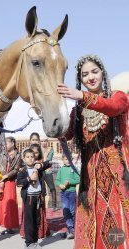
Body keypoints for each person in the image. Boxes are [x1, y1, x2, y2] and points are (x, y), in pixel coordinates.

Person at [57, 54, 129, 248]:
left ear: (103, 73)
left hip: (117, 176)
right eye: (85, 74)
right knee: (91, 223)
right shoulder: (78, 110)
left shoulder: (118, 96)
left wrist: (82, 96)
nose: (90, 77)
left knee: (117, 222)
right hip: (90, 179)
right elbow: (67, 134)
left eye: (94, 72)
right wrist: (49, 114)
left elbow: (113, 108)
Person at [17, 148, 51, 249]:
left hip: (38, 197)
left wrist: (40, 165)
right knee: (29, 220)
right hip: (29, 198)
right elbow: (19, 183)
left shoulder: (38, 168)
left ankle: (34, 241)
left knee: (37, 220)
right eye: (27, 157)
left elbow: (49, 163)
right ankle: (28, 242)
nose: (30, 159)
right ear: (23, 159)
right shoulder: (23, 171)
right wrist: (29, 178)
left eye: (32, 157)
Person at [0, 136, 20, 234]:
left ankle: (11, 226)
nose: (5, 145)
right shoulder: (1, 153)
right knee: (1, 203)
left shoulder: (18, 155)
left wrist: (6, 176)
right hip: (0, 180)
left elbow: (16, 169)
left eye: (7, 143)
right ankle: (2, 225)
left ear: (13, 144)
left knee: (10, 203)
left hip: (10, 181)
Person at [55, 154, 80, 239]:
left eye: (69, 159)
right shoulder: (61, 170)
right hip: (64, 193)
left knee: (72, 211)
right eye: (66, 159)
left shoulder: (74, 168)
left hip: (72, 193)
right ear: (62, 160)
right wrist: (60, 185)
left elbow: (78, 179)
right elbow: (57, 181)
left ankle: (72, 229)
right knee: (66, 210)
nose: (68, 161)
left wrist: (69, 182)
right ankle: (70, 228)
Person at [41, 138, 58, 211]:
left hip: (48, 170)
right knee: (41, 189)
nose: (43, 142)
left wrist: (42, 162)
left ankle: (54, 206)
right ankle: (41, 206)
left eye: (45, 141)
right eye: (42, 141)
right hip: (40, 171)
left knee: (52, 188)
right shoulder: (38, 150)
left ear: (47, 142)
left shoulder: (51, 149)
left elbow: (48, 160)